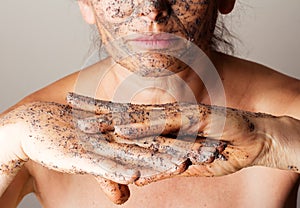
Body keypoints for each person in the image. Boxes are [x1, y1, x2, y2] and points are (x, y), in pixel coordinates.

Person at [0, 0, 300, 207]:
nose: (152, 10)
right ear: (86, 2)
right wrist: (9, 140)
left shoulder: (290, 112)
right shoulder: (32, 136)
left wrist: (273, 142)